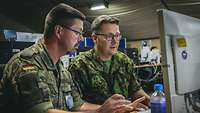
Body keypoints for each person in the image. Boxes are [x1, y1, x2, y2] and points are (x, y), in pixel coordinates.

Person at [0, 4, 145, 113]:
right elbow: (45, 112)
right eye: (78, 32)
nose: (81, 39)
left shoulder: (61, 70)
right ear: (59, 31)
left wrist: (111, 108)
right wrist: (100, 112)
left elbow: (78, 105)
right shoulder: (27, 64)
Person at [68, 15, 150, 106]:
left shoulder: (124, 60)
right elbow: (75, 105)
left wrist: (151, 101)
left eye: (117, 35)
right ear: (95, 38)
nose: (115, 41)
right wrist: (105, 109)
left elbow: (135, 90)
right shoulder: (80, 65)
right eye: (109, 36)